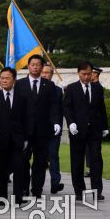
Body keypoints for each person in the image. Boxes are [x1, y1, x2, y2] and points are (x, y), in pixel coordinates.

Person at [14, 54, 61, 197]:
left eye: (38, 65)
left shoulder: (49, 85)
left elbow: (54, 106)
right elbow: (16, 107)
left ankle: (37, 189)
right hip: (24, 130)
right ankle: (23, 187)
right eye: (32, 64)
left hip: (42, 130)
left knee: (40, 162)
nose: (35, 67)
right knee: (23, 160)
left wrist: (56, 122)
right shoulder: (20, 84)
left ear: (42, 67)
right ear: (28, 66)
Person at [64, 60, 109, 201]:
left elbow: (101, 109)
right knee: (77, 161)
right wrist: (71, 123)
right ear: (78, 73)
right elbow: (67, 108)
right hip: (77, 130)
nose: (86, 77)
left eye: (89, 74)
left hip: (94, 130)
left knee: (96, 160)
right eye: (84, 74)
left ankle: (97, 190)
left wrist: (105, 126)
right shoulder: (71, 89)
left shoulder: (97, 88)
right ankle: (79, 190)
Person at [0, 67, 27, 205]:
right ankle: (1, 197)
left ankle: (18, 197)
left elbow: (27, 118)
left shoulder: (22, 98)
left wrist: (26, 138)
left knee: (19, 169)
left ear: (13, 80)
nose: (4, 81)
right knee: (1, 170)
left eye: (7, 78)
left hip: (17, 140)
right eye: (2, 78)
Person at [41, 63, 64, 193]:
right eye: (43, 72)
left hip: (53, 130)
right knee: (39, 158)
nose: (45, 75)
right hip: (38, 130)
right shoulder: (34, 88)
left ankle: (55, 183)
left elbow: (59, 110)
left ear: (52, 74)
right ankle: (36, 184)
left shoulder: (58, 91)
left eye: (47, 73)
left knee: (54, 156)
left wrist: (58, 125)